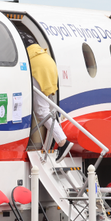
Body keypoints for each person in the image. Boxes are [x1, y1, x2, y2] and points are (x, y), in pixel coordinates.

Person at [18, 28, 72, 161]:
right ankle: (57, 142)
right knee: (48, 108)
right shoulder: (24, 34)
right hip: (48, 61)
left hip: (38, 66)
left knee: (42, 111)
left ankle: (62, 143)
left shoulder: (11, 36)